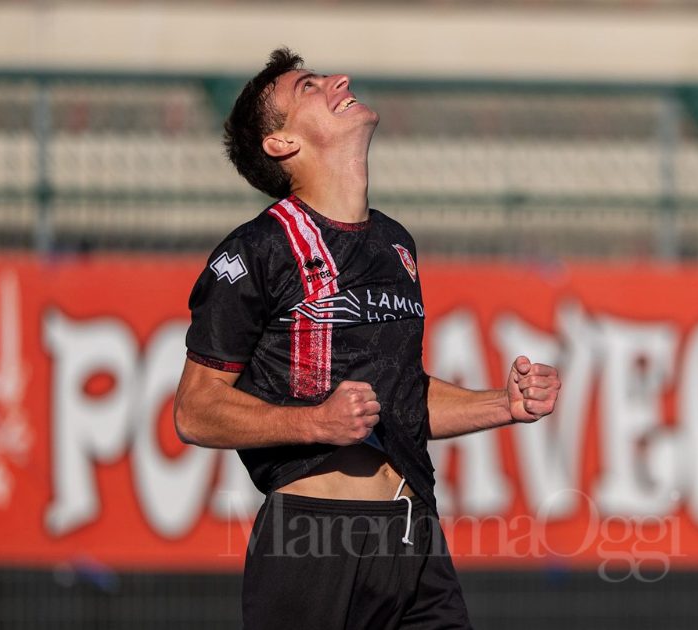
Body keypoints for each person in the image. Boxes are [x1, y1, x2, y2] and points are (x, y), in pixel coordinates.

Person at [173, 47, 561, 630]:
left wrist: (503, 405)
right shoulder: (256, 250)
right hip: (313, 540)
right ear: (281, 144)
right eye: (308, 87)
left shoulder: (395, 242)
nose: (338, 80)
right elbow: (195, 411)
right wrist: (316, 422)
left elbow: (399, 398)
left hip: (413, 536)